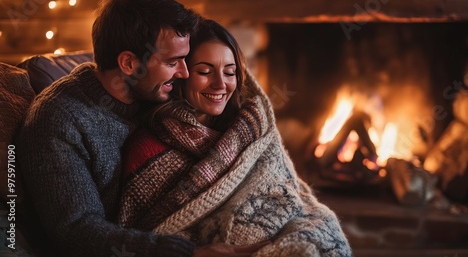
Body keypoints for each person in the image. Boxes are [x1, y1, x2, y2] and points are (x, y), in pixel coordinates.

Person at [16, 0, 266, 257]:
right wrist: (188, 253)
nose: (183, 72)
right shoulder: (59, 120)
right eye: (173, 62)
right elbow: (77, 230)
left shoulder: (153, 91)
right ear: (128, 63)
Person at [118, 19, 353, 257]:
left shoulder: (250, 128)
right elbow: (145, 234)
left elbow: (290, 195)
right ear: (180, 75)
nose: (220, 84)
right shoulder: (148, 149)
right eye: (205, 72)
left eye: (229, 72)